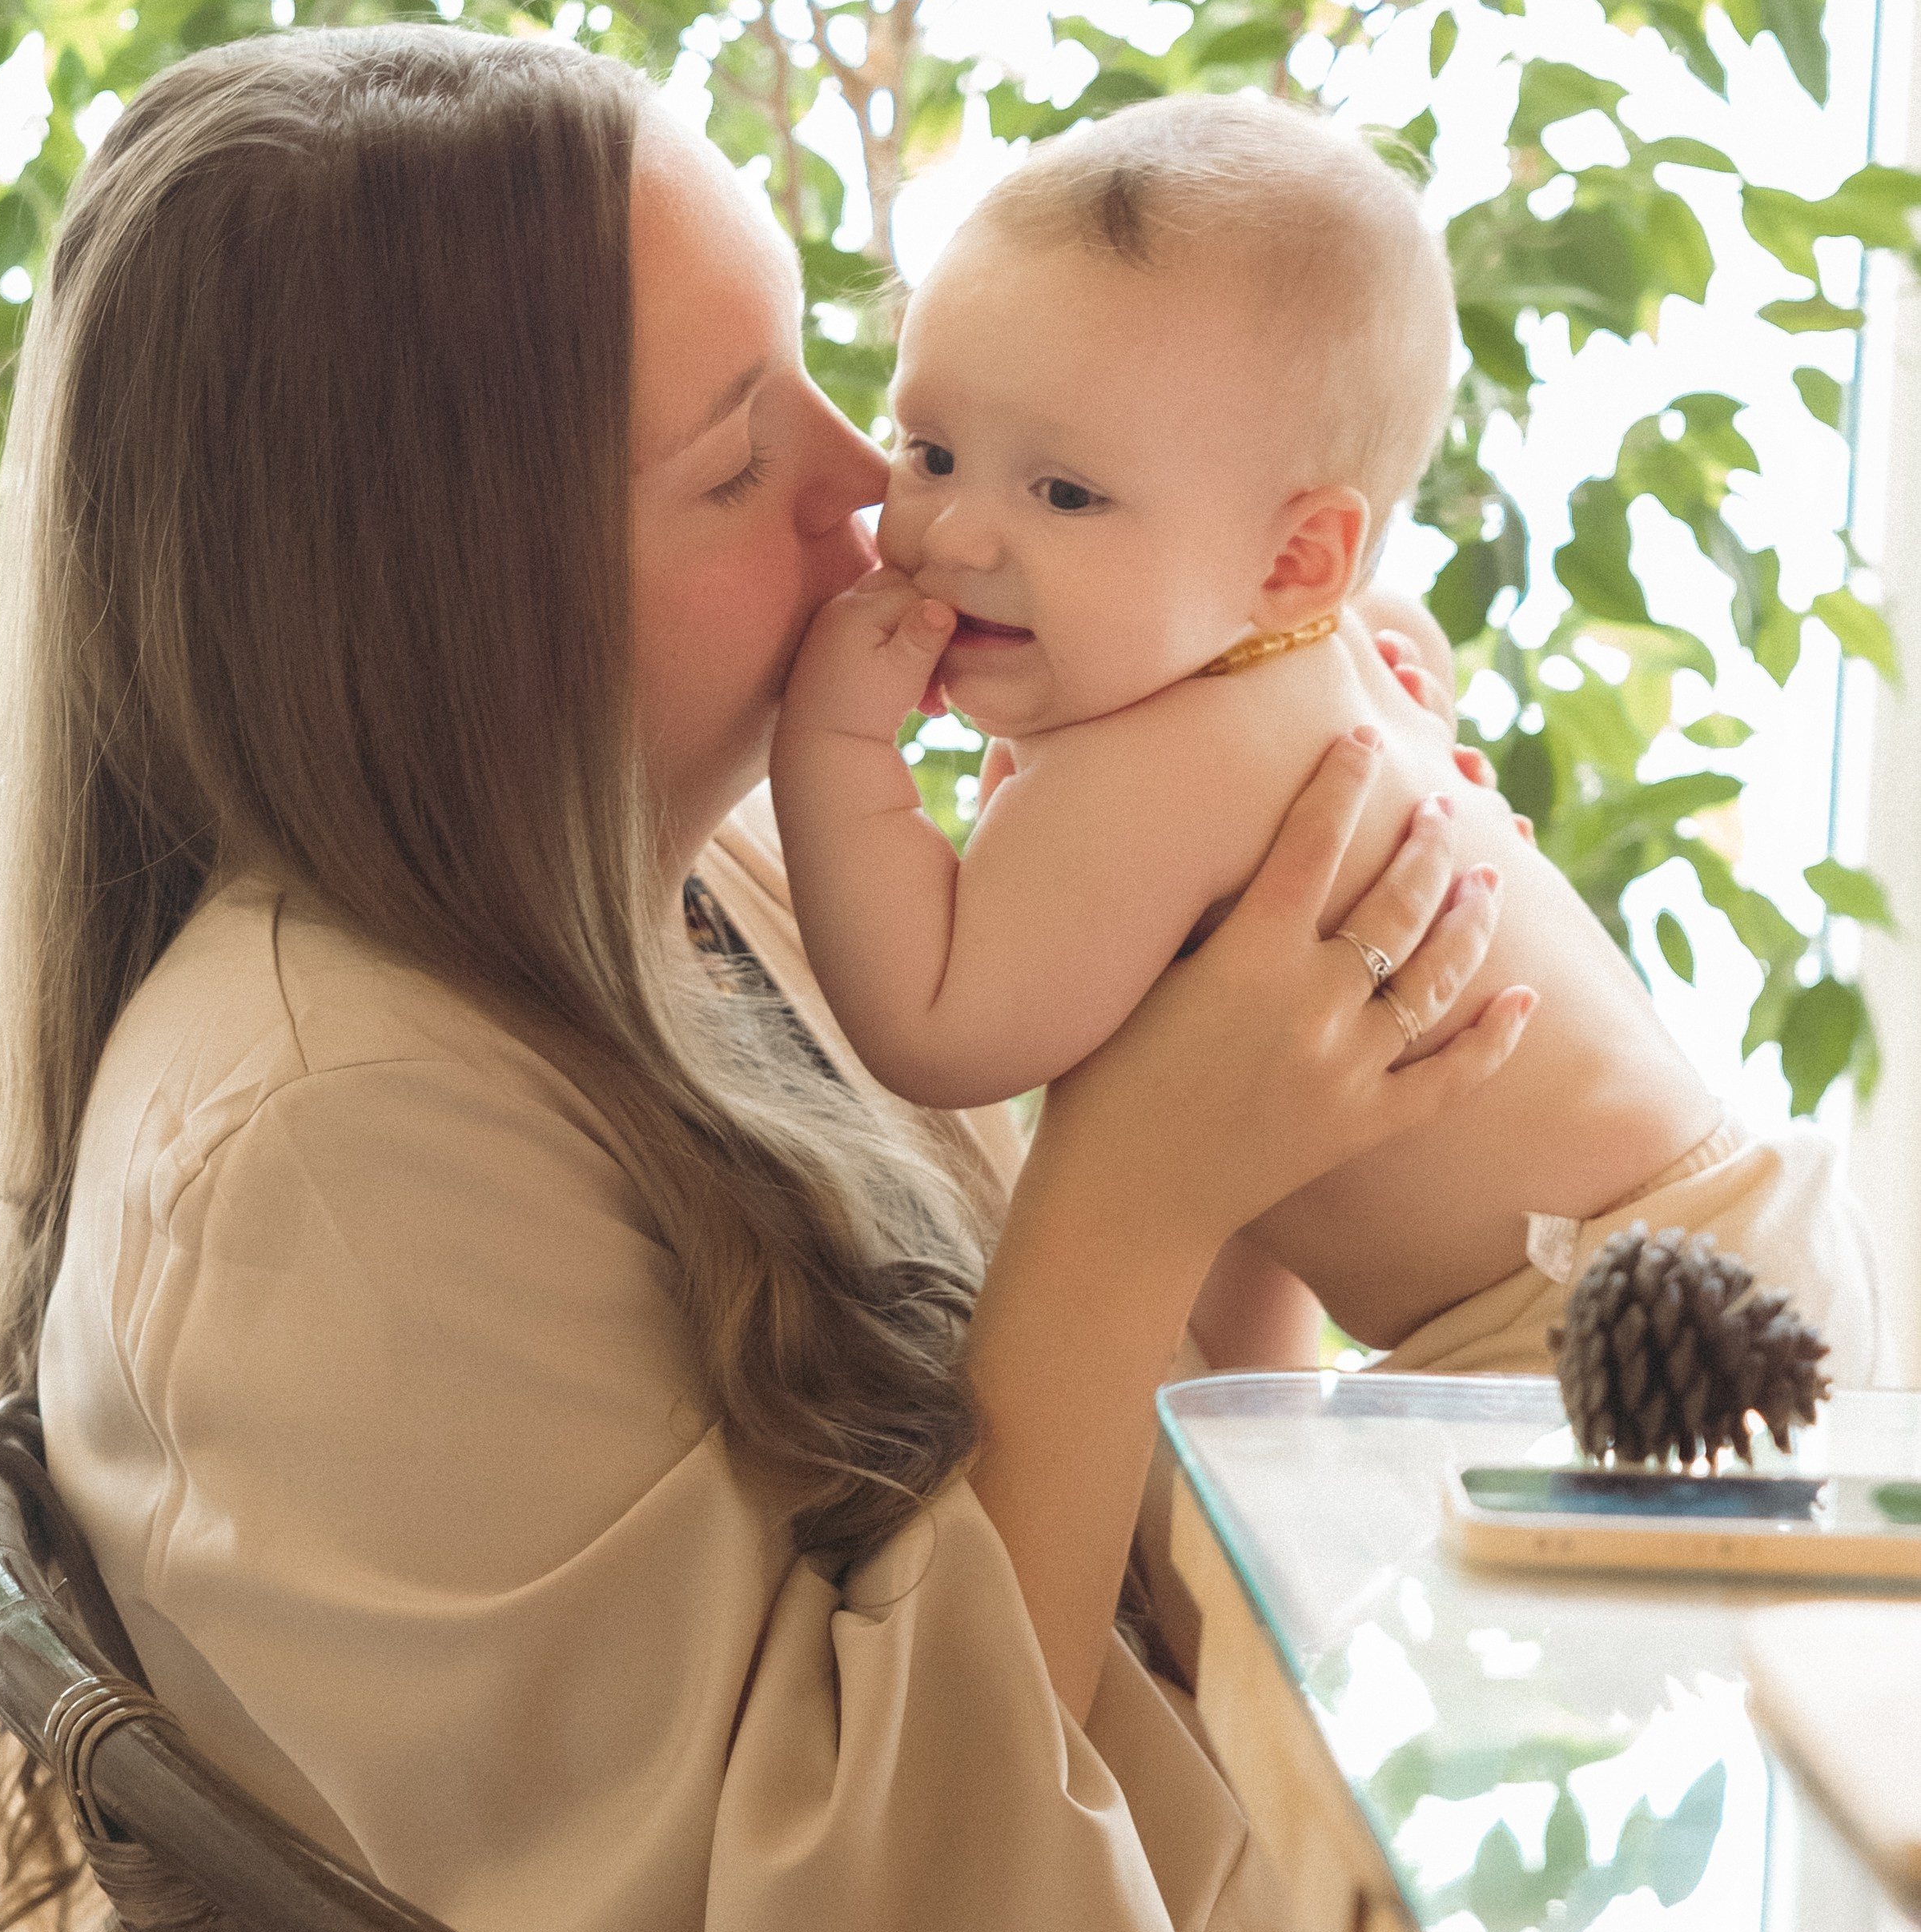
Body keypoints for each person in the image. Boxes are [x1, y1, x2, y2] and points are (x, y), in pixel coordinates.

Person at [0, 28, 1532, 1932]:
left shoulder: (707, 898)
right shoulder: (330, 1157)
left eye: (827, 378)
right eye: (727, 461)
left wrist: (1240, 982)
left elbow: (1111, 1550)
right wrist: (1135, 1187)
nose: (865, 491)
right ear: (443, 606)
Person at [771, 92, 1879, 1380]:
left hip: (1589, 1338)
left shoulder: (1151, 770)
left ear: (1297, 558)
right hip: (1713, 1240)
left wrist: (835, 749)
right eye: (933, 449)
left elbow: (937, 1027)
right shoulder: (1317, 645)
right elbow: (1393, 620)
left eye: (1064, 492)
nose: (951, 535)